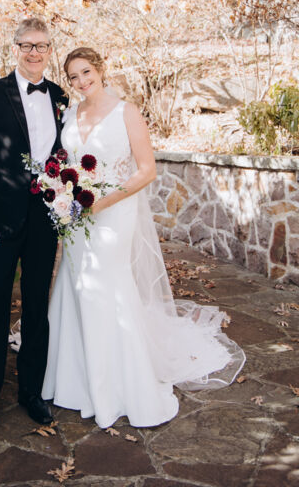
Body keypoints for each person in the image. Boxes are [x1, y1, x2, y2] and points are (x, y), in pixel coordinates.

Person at [42, 47, 245, 429]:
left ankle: (119, 385)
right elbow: (65, 163)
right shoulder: (69, 113)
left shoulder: (126, 112)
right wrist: (63, 193)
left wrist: (100, 202)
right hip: (77, 216)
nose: (81, 81)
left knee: (108, 287)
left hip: (113, 214)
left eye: (86, 72)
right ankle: (74, 381)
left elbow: (146, 170)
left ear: (100, 69)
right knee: (75, 284)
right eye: (73, 77)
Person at [0, 17, 68, 441]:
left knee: (37, 307)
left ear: (50, 50)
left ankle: (31, 393)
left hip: (45, 218)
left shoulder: (60, 96)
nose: (34, 52)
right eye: (26, 45)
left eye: (41, 46)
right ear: (15, 48)